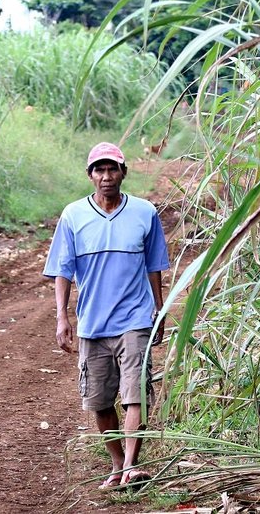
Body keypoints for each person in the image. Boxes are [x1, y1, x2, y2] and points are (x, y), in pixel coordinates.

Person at [42, 142, 169, 489]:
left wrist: (158, 308)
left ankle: (130, 466)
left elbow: (154, 266)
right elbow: (62, 271)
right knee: (99, 401)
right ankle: (117, 464)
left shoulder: (145, 213)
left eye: (113, 169)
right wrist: (62, 318)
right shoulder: (73, 216)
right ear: (90, 176)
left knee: (135, 394)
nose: (107, 176)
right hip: (94, 324)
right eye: (99, 170)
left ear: (124, 173)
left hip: (135, 318)